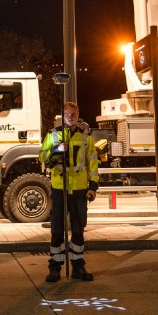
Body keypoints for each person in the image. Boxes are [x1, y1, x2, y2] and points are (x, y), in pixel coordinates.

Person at [40, 101, 99, 282]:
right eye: (67, 114)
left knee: (78, 230)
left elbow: (92, 162)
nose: (70, 117)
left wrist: (93, 186)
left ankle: (78, 268)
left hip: (80, 189)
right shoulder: (54, 134)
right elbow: (42, 156)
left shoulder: (85, 136)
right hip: (60, 187)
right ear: (62, 115)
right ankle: (55, 268)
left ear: (78, 114)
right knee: (57, 230)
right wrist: (57, 150)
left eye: (73, 114)